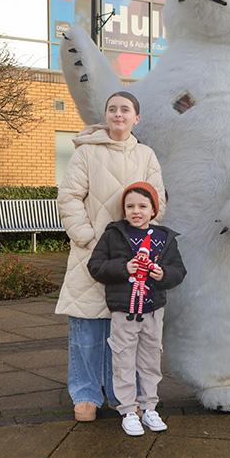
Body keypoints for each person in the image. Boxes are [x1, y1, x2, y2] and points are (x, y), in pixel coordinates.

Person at [55, 92, 166, 422]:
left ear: (137, 118)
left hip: (134, 257)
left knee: (127, 329)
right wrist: (86, 237)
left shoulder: (146, 155)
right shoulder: (87, 153)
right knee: (87, 327)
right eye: (112, 109)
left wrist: (147, 243)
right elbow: (70, 196)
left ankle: (123, 395)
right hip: (92, 253)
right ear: (106, 116)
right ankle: (86, 393)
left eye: (125, 109)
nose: (118, 114)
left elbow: (157, 201)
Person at [88, 182, 186, 436]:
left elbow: (179, 271)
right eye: (130, 206)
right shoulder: (113, 235)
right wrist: (124, 268)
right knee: (123, 358)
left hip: (153, 310)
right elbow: (96, 266)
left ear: (153, 209)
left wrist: (163, 274)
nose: (136, 211)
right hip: (124, 310)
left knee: (150, 359)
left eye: (143, 206)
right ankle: (129, 411)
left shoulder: (164, 239)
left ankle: (149, 407)